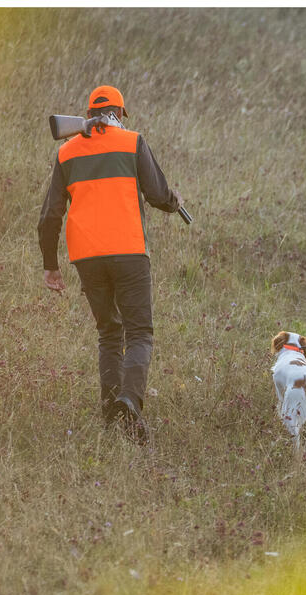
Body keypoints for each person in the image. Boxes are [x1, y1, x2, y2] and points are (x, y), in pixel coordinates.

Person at [38, 85, 183, 443]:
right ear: (119, 113)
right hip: (130, 252)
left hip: (86, 257)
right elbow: (157, 193)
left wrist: (50, 265)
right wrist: (174, 202)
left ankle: (110, 413)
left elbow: (49, 217)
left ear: (87, 115)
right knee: (139, 333)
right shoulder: (132, 142)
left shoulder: (66, 152)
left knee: (108, 332)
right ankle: (130, 402)